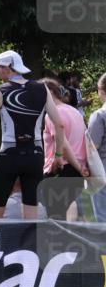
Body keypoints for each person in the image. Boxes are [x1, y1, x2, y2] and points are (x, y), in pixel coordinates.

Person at [0, 50, 71, 220]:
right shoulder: (42, 88)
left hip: (9, 155)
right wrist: (57, 155)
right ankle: (29, 246)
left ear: (9, 68)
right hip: (34, 156)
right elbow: (60, 124)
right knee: (31, 213)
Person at [41, 78, 90, 220]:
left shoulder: (52, 114)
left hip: (60, 169)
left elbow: (63, 144)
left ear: (50, 92)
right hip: (78, 171)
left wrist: (78, 167)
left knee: (56, 220)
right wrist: (82, 168)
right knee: (72, 217)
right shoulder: (76, 112)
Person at [88, 73, 106, 222]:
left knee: (102, 217)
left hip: (102, 171)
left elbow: (92, 148)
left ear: (101, 91)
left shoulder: (99, 116)